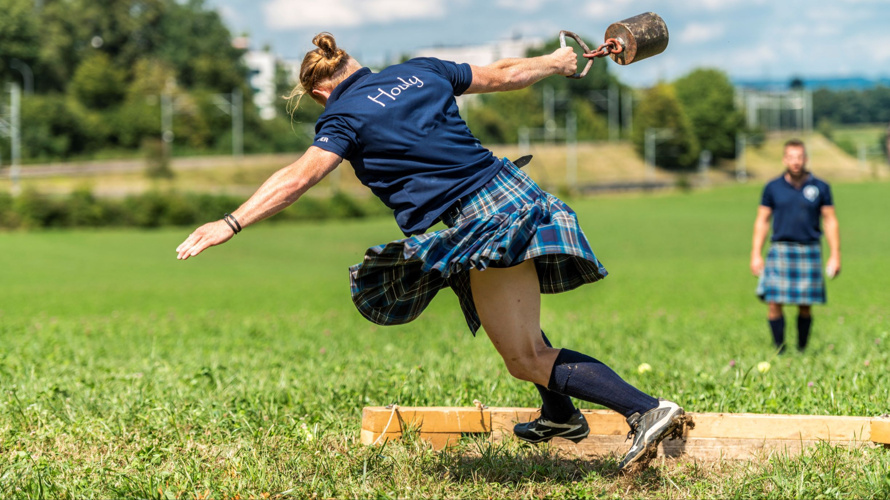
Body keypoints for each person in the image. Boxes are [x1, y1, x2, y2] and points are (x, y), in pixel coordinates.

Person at [176, 33, 684, 470]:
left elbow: (299, 176)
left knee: (524, 356)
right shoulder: (422, 71)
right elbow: (503, 75)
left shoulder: (343, 114)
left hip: (483, 216)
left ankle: (645, 409)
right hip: (508, 192)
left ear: (320, 91)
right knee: (504, 316)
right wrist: (556, 62)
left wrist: (231, 221)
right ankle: (560, 415)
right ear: (356, 65)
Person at [750, 139, 841, 353]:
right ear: (784, 159)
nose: (796, 162)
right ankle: (779, 349)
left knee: (805, 304)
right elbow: (762, 221)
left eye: (799, 157)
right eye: (791, 157)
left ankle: (802, 348)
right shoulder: (772, 188)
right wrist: (756, 254)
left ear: (806, 159)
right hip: (781, 249)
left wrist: (835, 255)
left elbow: (830, 220)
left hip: (809, 248)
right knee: (773, 302)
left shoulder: (820, 187)